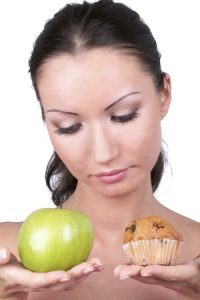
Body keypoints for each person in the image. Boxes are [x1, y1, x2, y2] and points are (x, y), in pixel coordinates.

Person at [0, 0, 199, 299]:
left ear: (164, 94)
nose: (103, 153)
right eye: (68, 126)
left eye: (124, 115)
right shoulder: (5, 253)